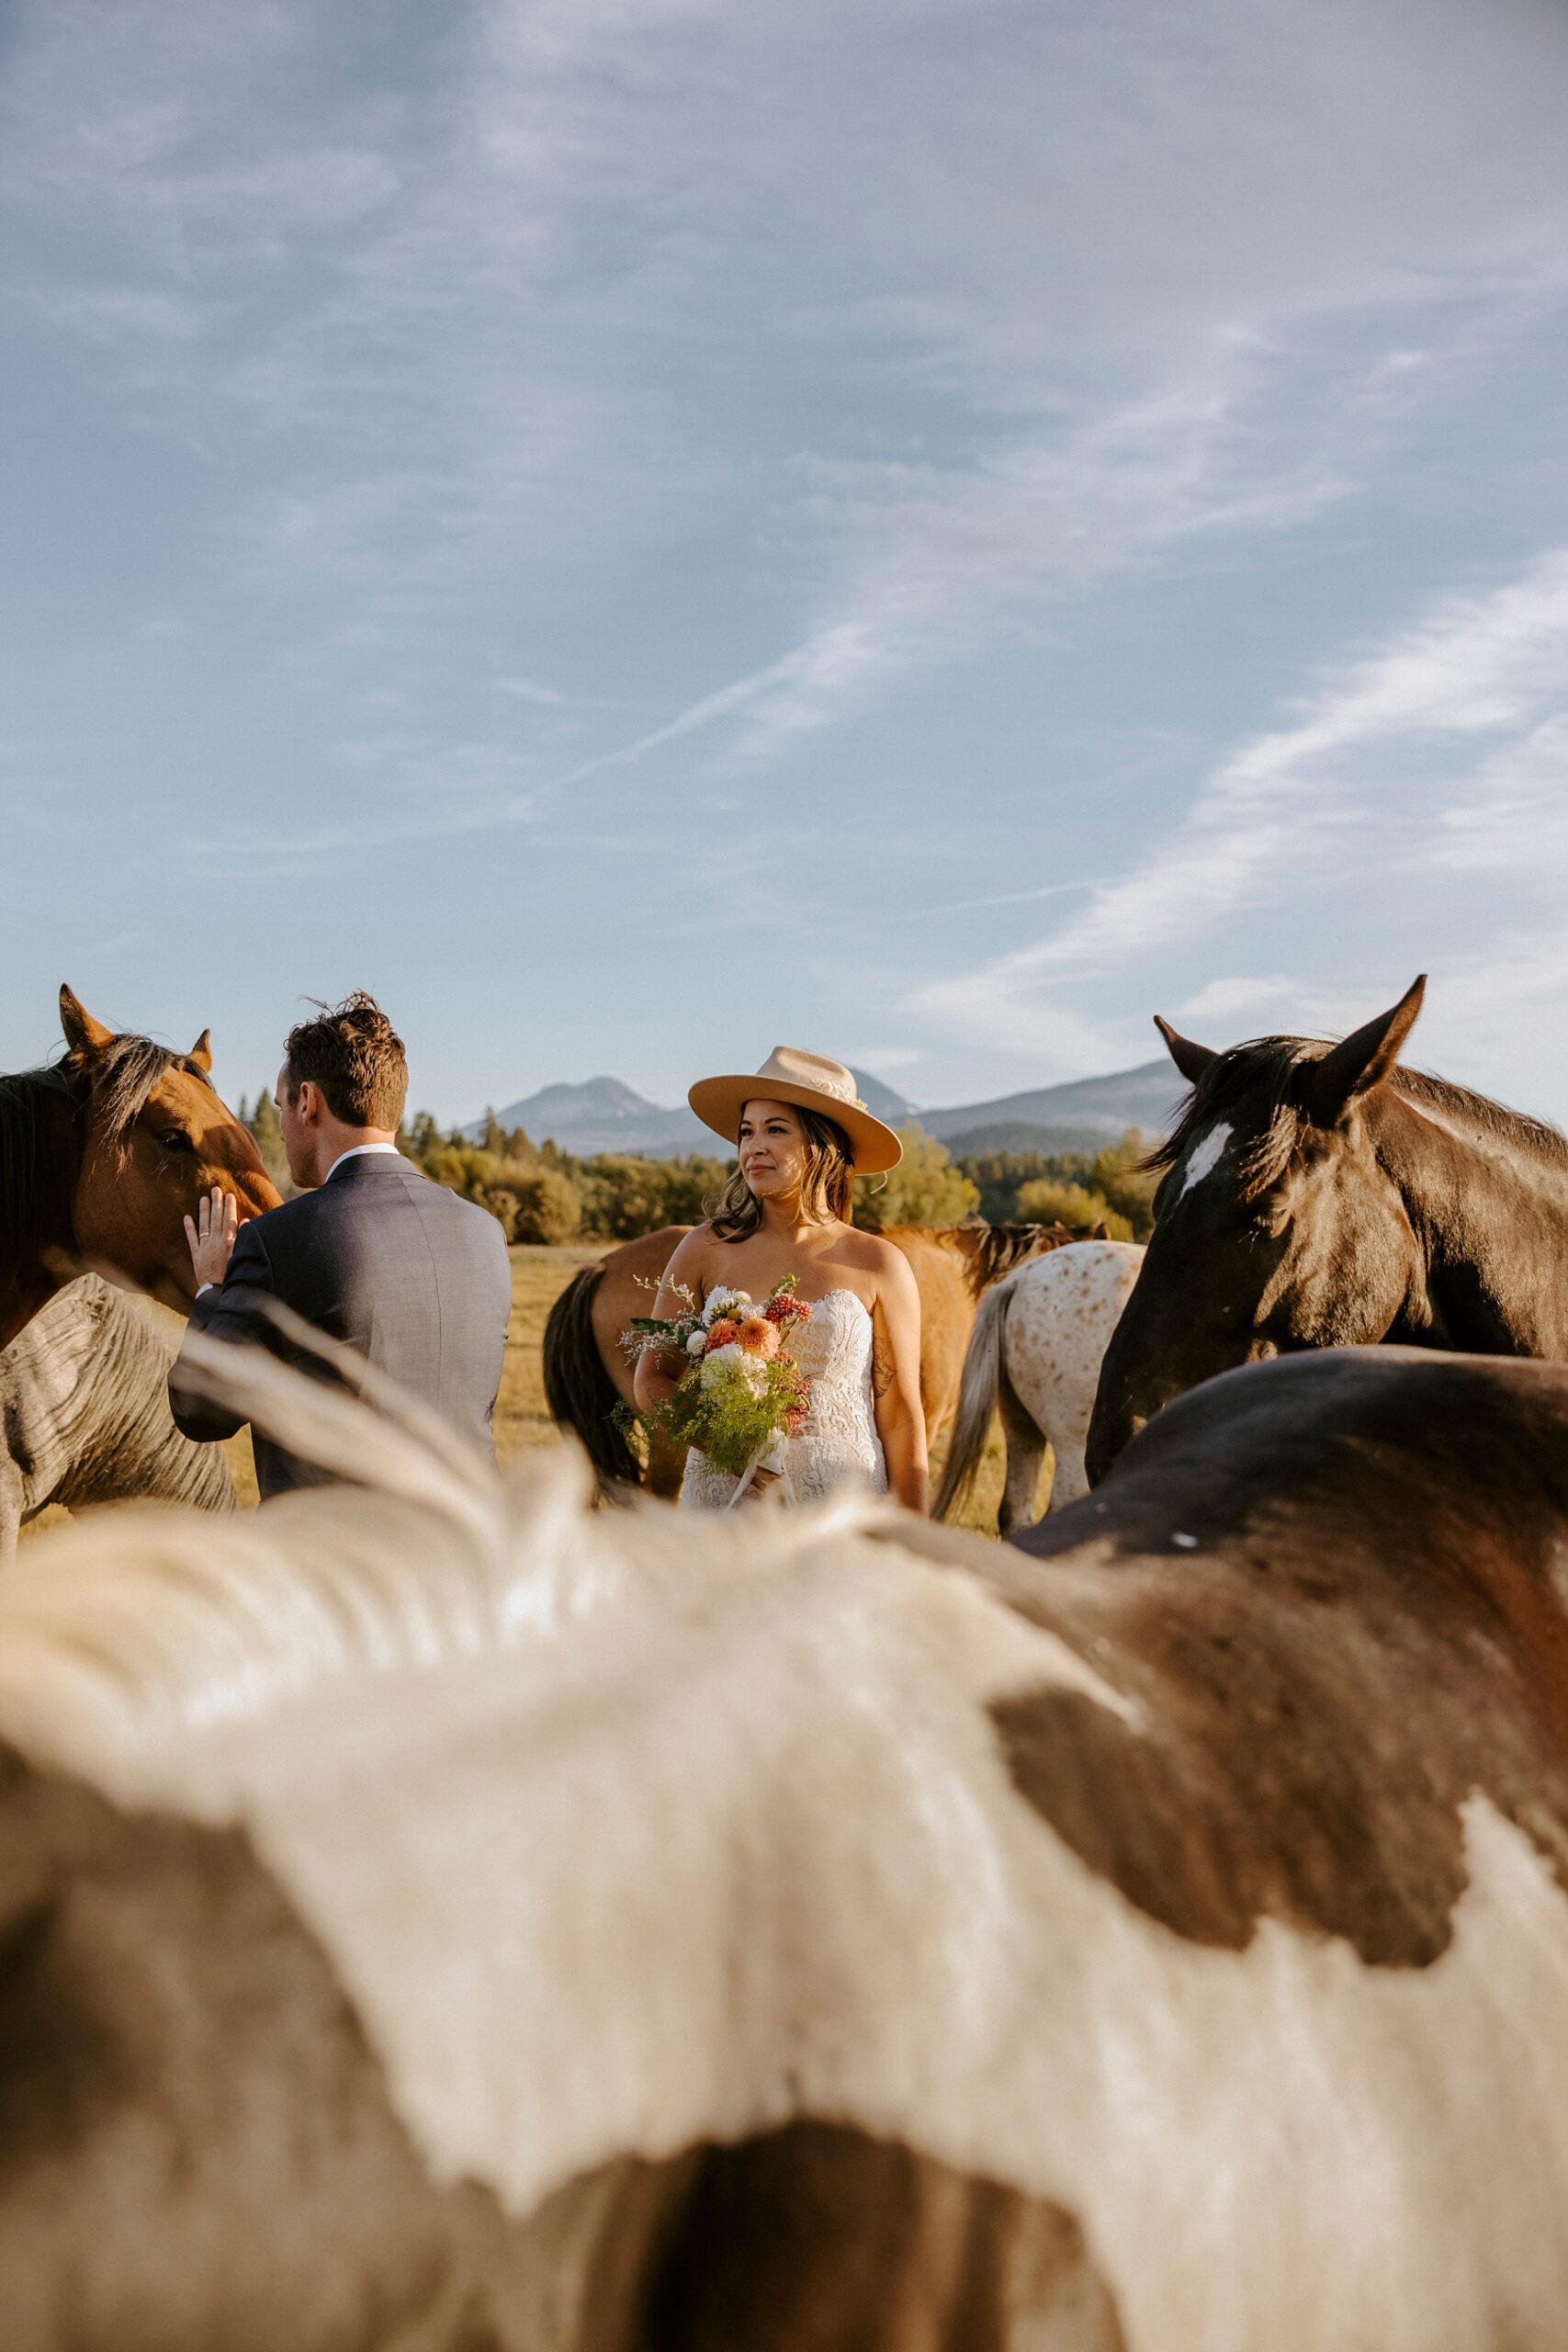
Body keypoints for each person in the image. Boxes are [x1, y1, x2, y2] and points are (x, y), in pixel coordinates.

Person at [169, 993, 511, 1498]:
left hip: (336, 1560)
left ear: (308, 1102)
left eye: (282, 1106)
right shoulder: (484, 1231)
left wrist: (211, 1291)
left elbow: (202, 1410)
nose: (282, 1130)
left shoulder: (278, 1240)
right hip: (470, 1553)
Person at [635, 1046, 928, 1513]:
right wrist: (730, 1446)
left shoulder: (880, 1264)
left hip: (840, 1509)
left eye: (775, 1130)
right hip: (726, 1503)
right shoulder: (703, 1248)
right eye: (747, 1132)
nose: (754, 1147)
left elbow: (899, 1415)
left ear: (822, 1145)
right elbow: (653, 1377)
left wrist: (914, 1538)